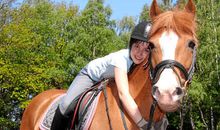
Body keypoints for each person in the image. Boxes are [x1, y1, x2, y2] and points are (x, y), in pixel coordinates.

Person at [51, 21, 152, 130]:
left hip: (107, 80)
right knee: (66, 105)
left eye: (146, 50)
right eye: (137, 46)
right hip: (90, 76)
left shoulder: (142, 64)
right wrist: (142, 123)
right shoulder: (121, 59)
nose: (140, 53)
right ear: (131, 44)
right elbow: (123, 94)